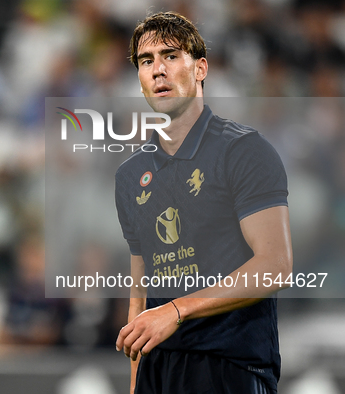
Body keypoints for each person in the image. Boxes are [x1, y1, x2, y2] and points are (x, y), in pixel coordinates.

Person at [114, 12, 292, 394]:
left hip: (230, 369)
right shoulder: (131, 176)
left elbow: (276, 264)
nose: (158, 70)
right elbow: (141, 296)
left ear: (200, 68)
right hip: (158, 374)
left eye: (171, 56)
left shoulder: (244, 151)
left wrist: (176, 311)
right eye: (146, 62)